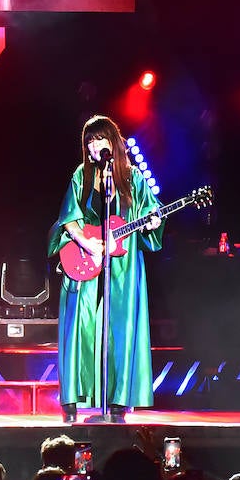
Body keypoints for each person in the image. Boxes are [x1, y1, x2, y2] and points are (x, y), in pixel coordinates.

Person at [48, 115, 162, 423]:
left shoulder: (133, 178)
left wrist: (153, 220)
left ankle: (118, 404)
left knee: (120, 329)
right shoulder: (81, 175)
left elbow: (151, 211)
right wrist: (88, 243)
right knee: (80, 328)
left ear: (113, 142)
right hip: (85, 258)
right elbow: (68, 218)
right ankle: (71, 404)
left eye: (99, 139)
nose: (94, 146)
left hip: (122, 264)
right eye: (89, 141)